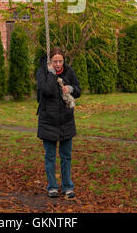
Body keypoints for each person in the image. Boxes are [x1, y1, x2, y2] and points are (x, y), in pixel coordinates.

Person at [36, 47, 81, 199]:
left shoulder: (69, 71)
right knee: (50, 156)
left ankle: (68, 186)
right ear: (50, 61)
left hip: (66, 121)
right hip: (48, 121)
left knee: (66, 156)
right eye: (55, 61)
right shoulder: (43, 72)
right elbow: (47, 90)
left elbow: (79, 90)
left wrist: (71, 88)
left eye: (60, 61)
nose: (58, 64)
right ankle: (52, 186)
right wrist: (51, 73)